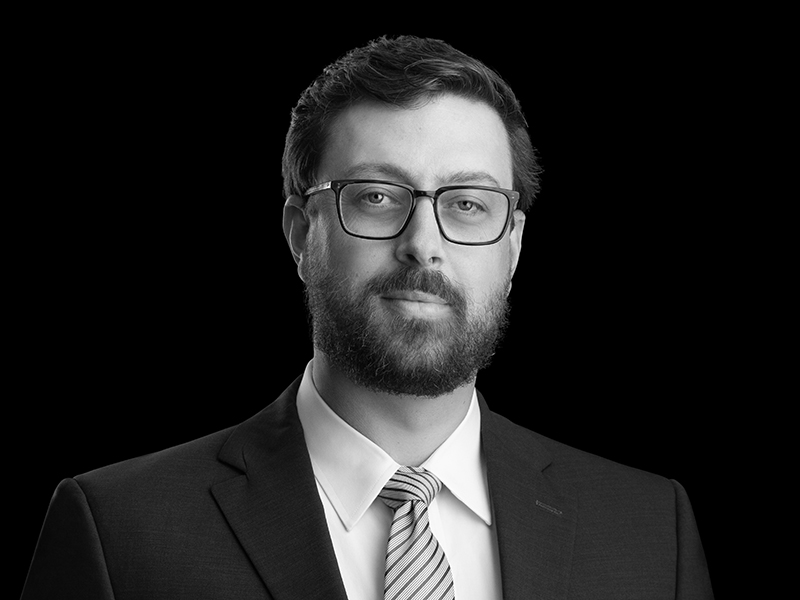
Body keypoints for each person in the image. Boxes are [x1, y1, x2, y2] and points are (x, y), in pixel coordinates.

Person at [22, 35, 713, 599]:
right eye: (378, 196)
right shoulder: (119, 532)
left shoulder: (652, 533)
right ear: (301, 233)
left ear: (513, 247)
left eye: (468, 204)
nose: (425, 244)